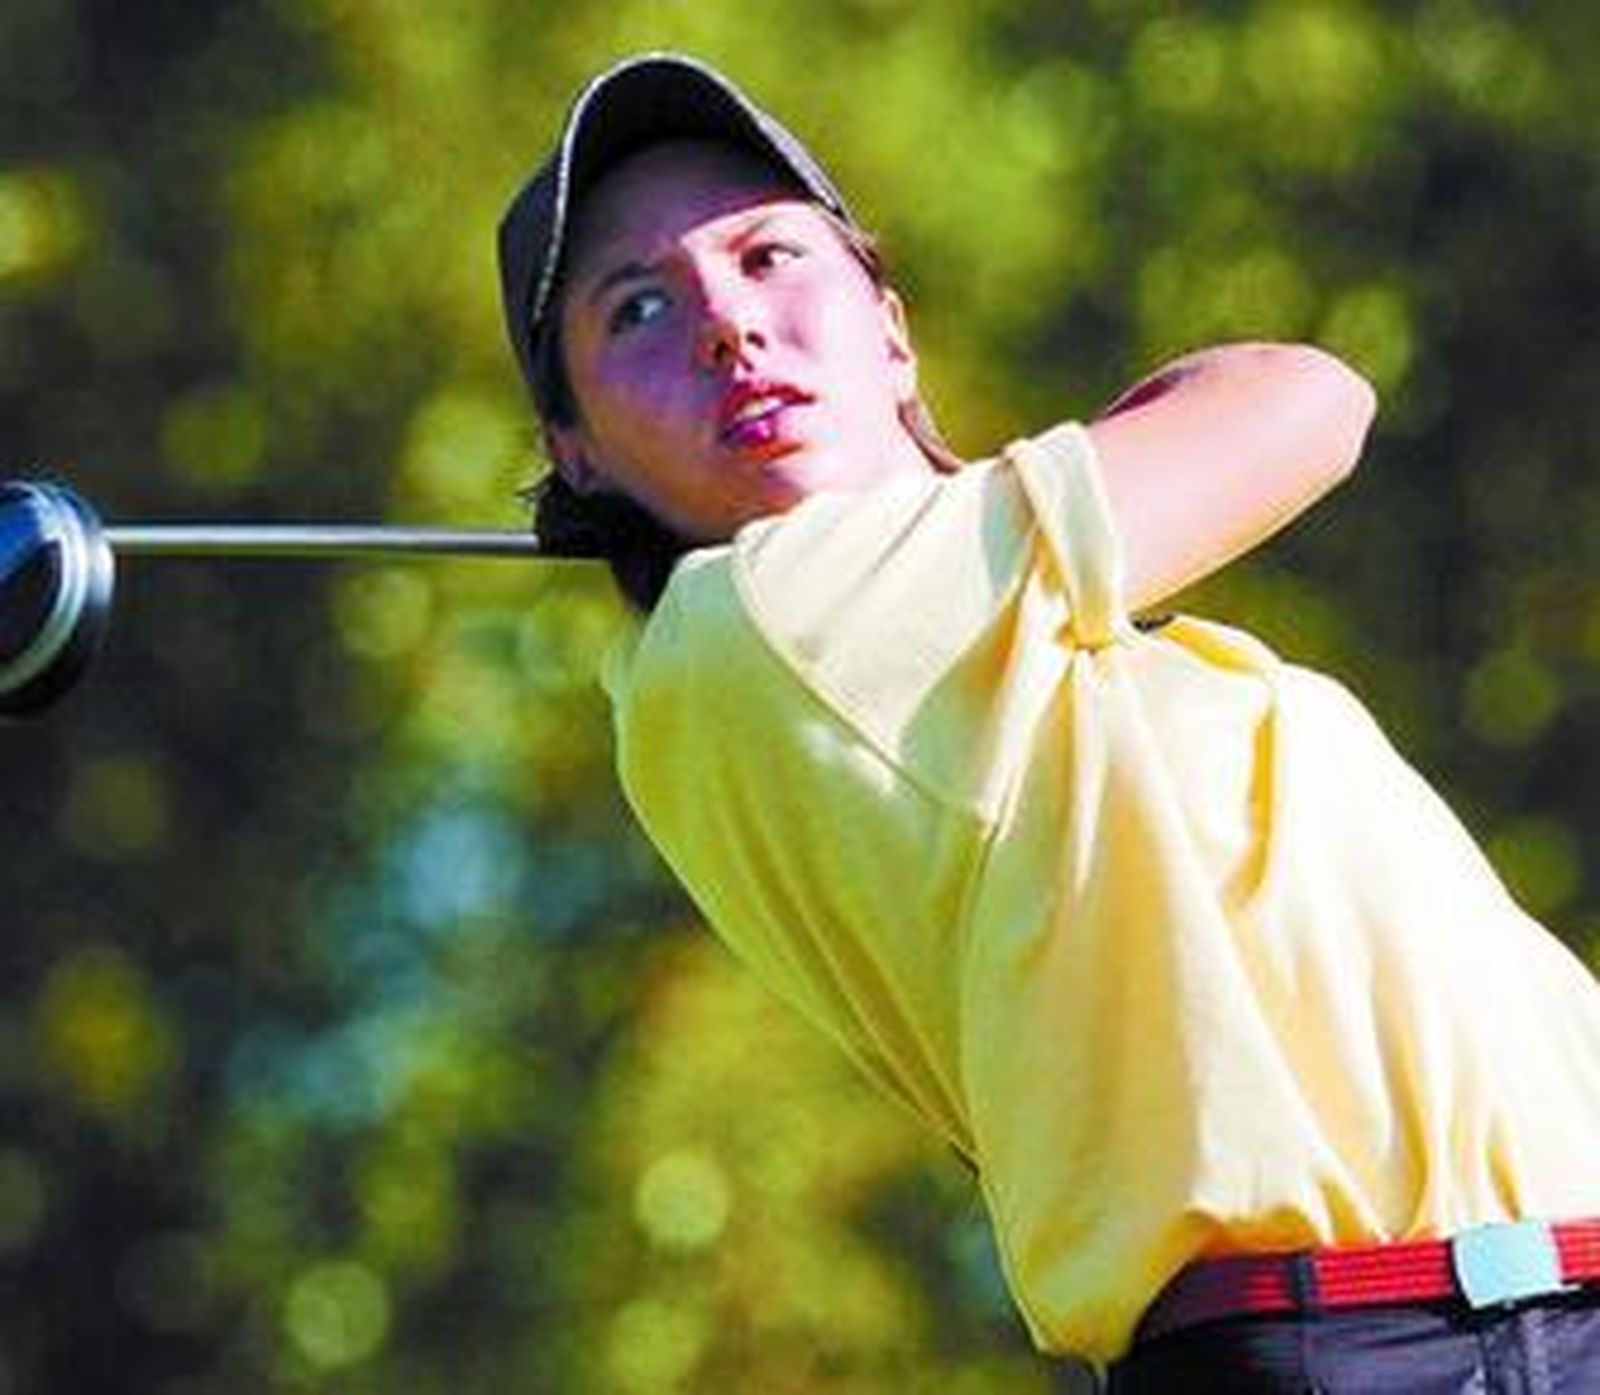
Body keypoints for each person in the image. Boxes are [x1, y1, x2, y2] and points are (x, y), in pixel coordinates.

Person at [496, 52, 1600, 1391]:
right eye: (639, 309)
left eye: (771, 256)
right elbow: (1303, 396)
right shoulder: (769, 616)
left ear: (888, 323)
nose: (728, 326)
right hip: (1381, 1349)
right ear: (579, 454)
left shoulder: (1036, 640)